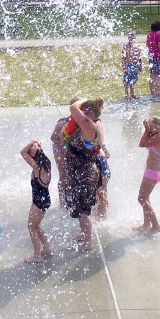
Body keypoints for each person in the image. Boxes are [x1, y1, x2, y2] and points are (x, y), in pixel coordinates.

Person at [64, 99, 105, 251]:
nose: (80, 114)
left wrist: (82, 100)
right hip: (82, 171)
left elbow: (73, 107)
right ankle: (83, 233)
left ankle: (88, 242)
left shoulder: (89, 125)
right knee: (81, 208)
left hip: (85, 173)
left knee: (84, 210)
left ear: (91, 114)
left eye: (84, 112)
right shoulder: (97, 123)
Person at [134, 116, 160, 236]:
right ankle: (146, 224)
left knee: (141, 199)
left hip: (153, 172)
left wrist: (147, 131)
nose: (149, 128)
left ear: (158, 127)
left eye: (150, 126)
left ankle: (156, 226)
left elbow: (142, 144)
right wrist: (148, 130)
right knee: (145, 198)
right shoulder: (157, 134)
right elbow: (142, 143)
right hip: (151, 170)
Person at [20, 141, 52, 263]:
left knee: (31, 227)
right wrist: (37, 146)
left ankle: (37, 256)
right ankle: (47, 249)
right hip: (45, 198)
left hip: (38, 201)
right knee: (37, 226)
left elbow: (22, 152)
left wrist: (33, 142)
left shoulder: (36, 167)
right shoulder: (46, 162)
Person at [50, 116, 71, 211]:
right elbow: (52, 138)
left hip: (69, 149)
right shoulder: (62, 122)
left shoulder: (83, 121)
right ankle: (62, 202)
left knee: (72, 174)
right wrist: (63, 145)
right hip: (59, 149)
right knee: (63, 174)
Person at [146, 22, 160, 100]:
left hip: (151, 56)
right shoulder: (158, 35)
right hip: (158, 57)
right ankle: (158, 95)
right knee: (158, 76)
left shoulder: (149, 35)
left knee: (152, 75)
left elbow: (147, 45)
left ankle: (153, 94)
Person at [122, 33, 143, 100]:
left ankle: (132, 93)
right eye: (130, 38)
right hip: (128, 64)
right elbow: (123, 58)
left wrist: (140, 65)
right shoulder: (125, 46)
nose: (132, 39)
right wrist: (124, 67)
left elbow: (139, 56)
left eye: (133, 38)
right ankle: (126, 94)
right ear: (128, 38)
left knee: (133, 79)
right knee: (126, 80)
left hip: (135, 64)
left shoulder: (137, 46)